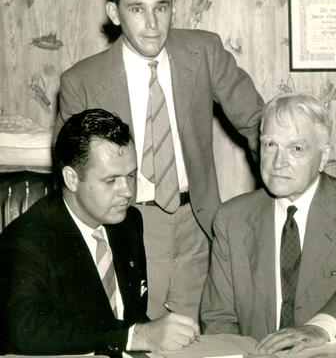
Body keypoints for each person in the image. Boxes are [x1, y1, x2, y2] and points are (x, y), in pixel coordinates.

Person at [55, 0, 264, 322]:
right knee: (139, 337)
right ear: (115, 13)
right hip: (125, 225)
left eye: (161, 8)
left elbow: (259, 124)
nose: (152, 24)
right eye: (137, 9)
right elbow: (72, 179)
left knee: (197, 338)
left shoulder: (204, 52)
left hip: (197, 223)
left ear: (172, 7)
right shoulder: (81, 82)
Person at [201, 93, 336, 354]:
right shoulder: (231, 218)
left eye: (296, 149)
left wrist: (318, 330)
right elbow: (219, 320)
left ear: (323, 157)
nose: (278, 163)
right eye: (270, 145)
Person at [0, 109, 200, 356]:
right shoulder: (26, 240)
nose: (127, 191)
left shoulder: (128, 222)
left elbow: (131, 314)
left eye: (130, 175)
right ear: (72, 179)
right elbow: (24, 329)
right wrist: (135, 336)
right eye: (111, 180)